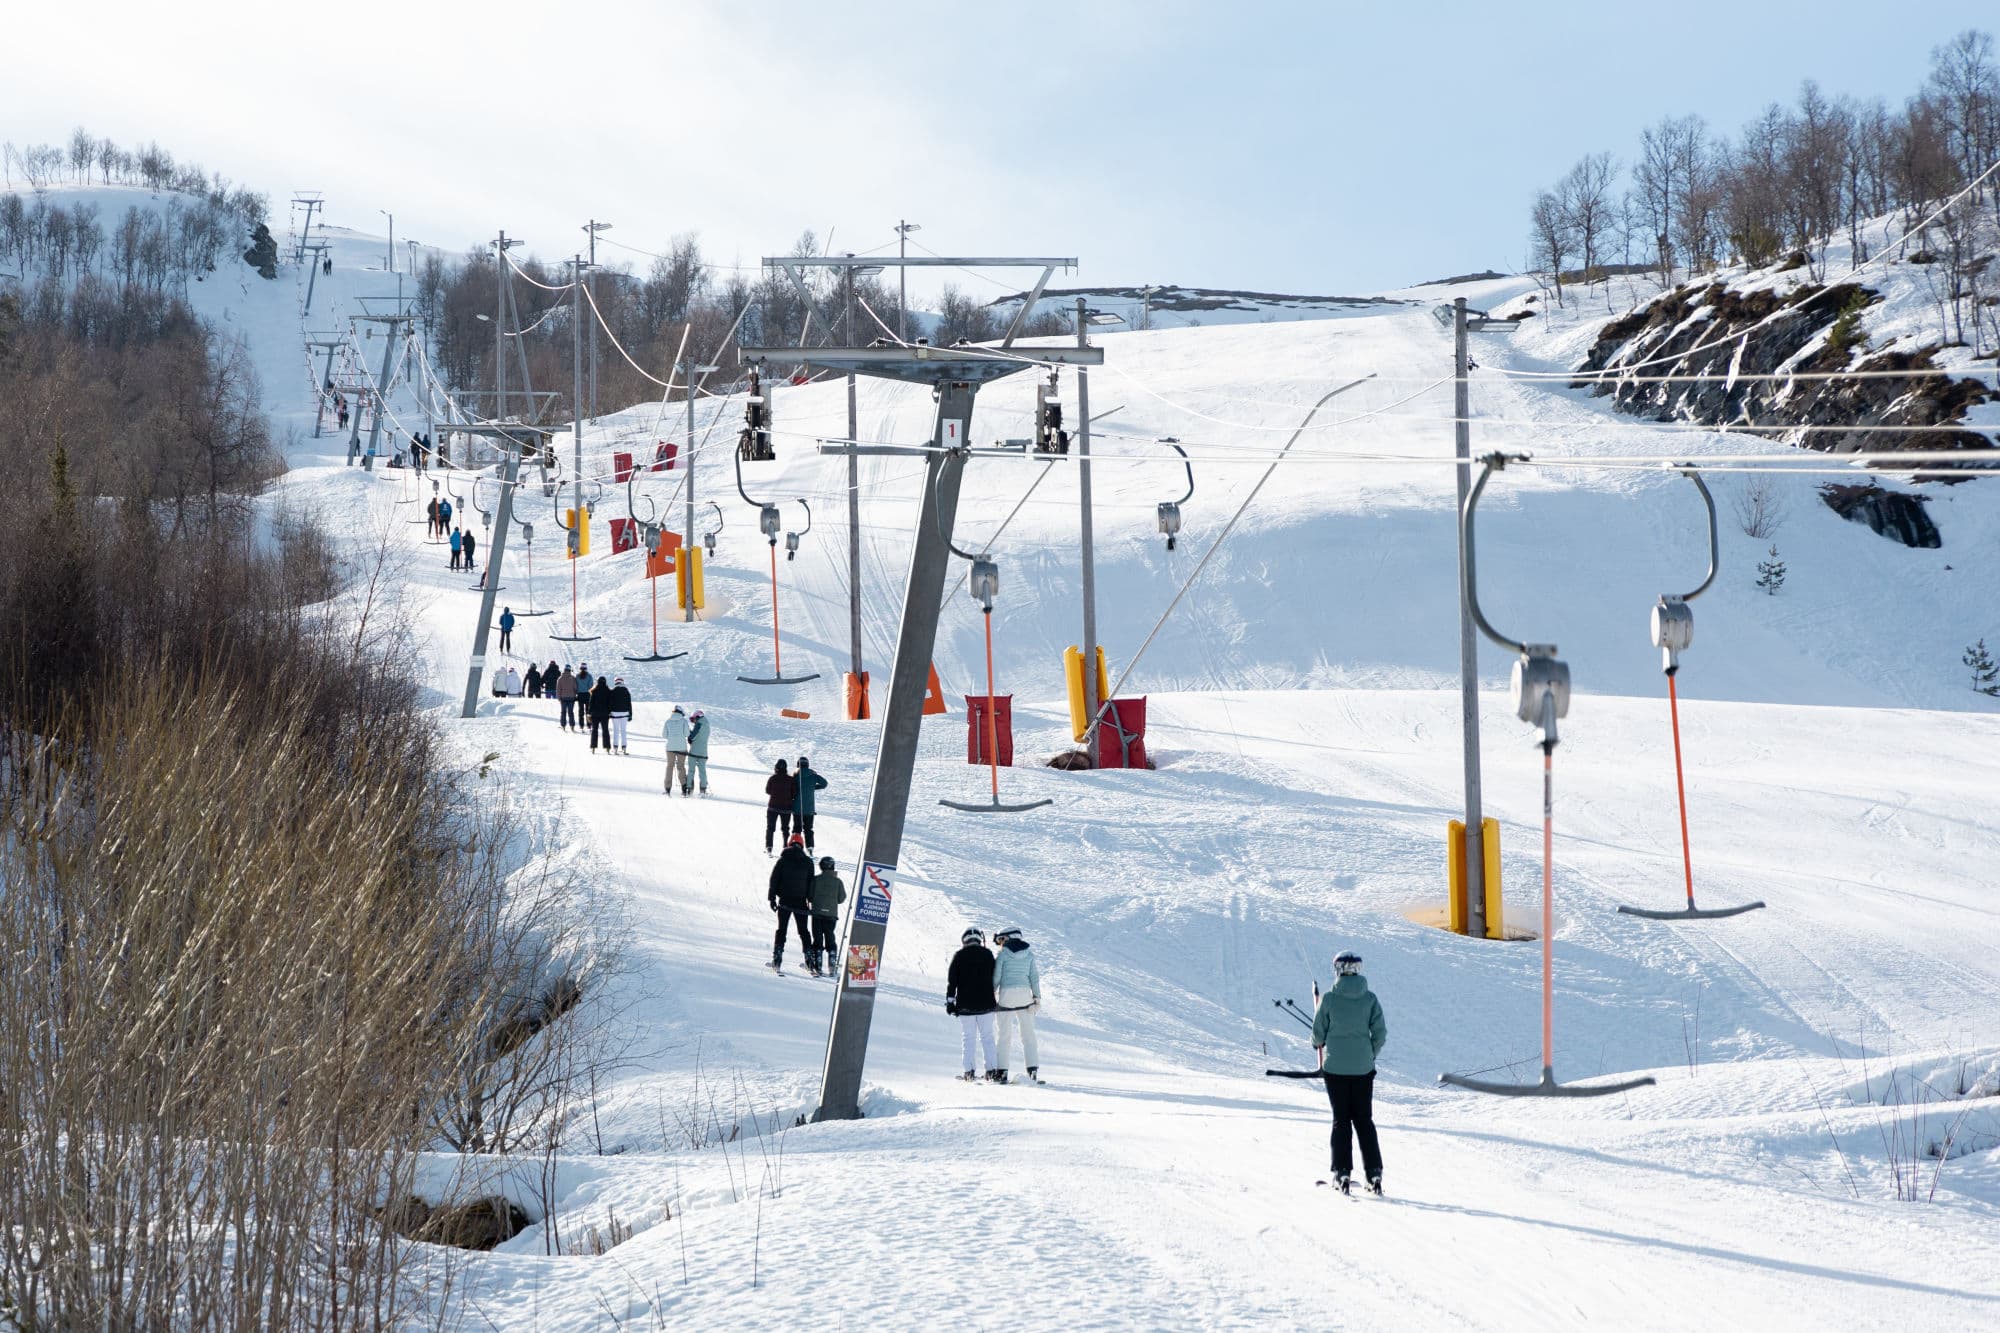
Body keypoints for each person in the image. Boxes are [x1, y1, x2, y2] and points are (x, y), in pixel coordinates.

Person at [1312, 950, 1386, 1196]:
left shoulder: (1330, 999)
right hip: (1363, 1069)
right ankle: (1374, 1174)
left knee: (1341, 1120)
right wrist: (1369, 1054)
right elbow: (1380, 1033)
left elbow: (1318, 1032)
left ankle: (1342, 1172)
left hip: (1335, 1070)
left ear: (1338, 970)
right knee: (1364, 1120)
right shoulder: (1370, 999)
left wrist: (1317, 1043)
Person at [990, 928, 1042, 1085]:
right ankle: (1032, 1071)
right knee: (1028, 1035)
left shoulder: (1003, 954)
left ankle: (1002, 1072)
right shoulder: (1030, 955)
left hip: (1006, 997)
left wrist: (990, 993)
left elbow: (997, 976)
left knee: (1004, 1035)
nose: (1000, 944)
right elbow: (1034, 977)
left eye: (1002, 940)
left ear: (1009, 938)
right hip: (1025, 997)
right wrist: (1037, 998)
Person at [946, 927, 999, 1081]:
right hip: (986, 1004)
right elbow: (995, 977)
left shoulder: (959, 956)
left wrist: (950, 1002)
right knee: (987, 1037)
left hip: (965, 1005)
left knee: (968, 1038)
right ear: (979, 940)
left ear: (965, 941)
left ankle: (969, 1071)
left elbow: (952, 981)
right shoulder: (988, 954)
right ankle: (992, 1070)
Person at [767, 835, 814, 972]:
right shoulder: (808, 862)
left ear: (789, 844)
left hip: (785, 900)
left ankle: (777, 959)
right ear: (802, 845)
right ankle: (809, 960)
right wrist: (810, 901)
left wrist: (772, 898)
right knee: (804, 931)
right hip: (801, 901)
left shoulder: (783, 860)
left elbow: (774, 879)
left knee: (782, 929)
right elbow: (811, 883)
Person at [808, 856, 845, 977]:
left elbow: (810, 896)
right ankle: (832, 963)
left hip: (817, 914)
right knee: (830, 937)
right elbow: (841, 898)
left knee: (817, 938)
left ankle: (818, 964)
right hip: (831, 915)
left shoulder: (816, 879)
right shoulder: (838, 882)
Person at [793, 755, 827, 854]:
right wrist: (813, 787)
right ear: (808, 765)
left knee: (797, 828)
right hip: (809, 809)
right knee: (808, 829)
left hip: (797, 808)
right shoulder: (813, 775)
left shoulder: (795, 776)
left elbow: (791, 788)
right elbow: (824, 784)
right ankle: (810, 848)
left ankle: (796, 847)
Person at [764, 759, 796, 855]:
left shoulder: (772, 778)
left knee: (770, 828)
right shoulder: (791, 779)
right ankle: (786, 846)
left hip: (773, 807)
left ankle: (769, 847)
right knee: (785, 828)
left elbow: (768, 791)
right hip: (786, 808)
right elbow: (794, 793)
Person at [662, 704, 692, 794]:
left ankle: (667, 789)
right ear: (681, 712)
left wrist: (672, 738)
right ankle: (684, 788)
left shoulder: (668, 721)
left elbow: (664, 735)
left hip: (670, 748)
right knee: (681, 767)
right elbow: (687, 734)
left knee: (669, 767)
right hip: (681, 748)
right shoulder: (684, 721)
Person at [686, 708, 710, 796]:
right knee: (702, 772)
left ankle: (689, 789)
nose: (693, 721)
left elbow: (693, 736)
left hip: (694, 752)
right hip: (703, 753)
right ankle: (703, 790)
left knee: (691, 770)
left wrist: (689, 735)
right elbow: (700, 736)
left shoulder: (699, 724)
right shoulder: (707, 725)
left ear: (698, 717)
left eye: (693, 719)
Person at [586, 675, 613, 754]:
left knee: (594, 730)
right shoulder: (608, 691)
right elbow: (610, 703)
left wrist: (589, 713)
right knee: (605, 730)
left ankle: (593, 747)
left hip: (595, 714)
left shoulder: (594, 691)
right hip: (605, 714)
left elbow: (591, 703)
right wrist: (609, 712)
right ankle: (607, 747)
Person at [607, 676, 633, 753]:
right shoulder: (626, 691)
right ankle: (624, 747)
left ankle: (615, 748)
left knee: (616, 730)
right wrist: (630, 714)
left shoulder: (613, 691)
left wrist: (609, 713)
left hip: (615, 713)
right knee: (623, 730)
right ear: (622, 682)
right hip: (625, 713)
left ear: (616, 682)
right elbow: (629, 704)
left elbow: (610, 703)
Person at [555, 665, 578, 731]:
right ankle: (572, 726)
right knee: (571, 712)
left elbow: (558, 689)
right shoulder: (573, 678)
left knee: (563, 712)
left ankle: (563, 725)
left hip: (563, 697)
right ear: (570, 670)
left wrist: (559, 697)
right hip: (571, 697)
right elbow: (575, 688)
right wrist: (575, 694)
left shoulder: (560, 678)